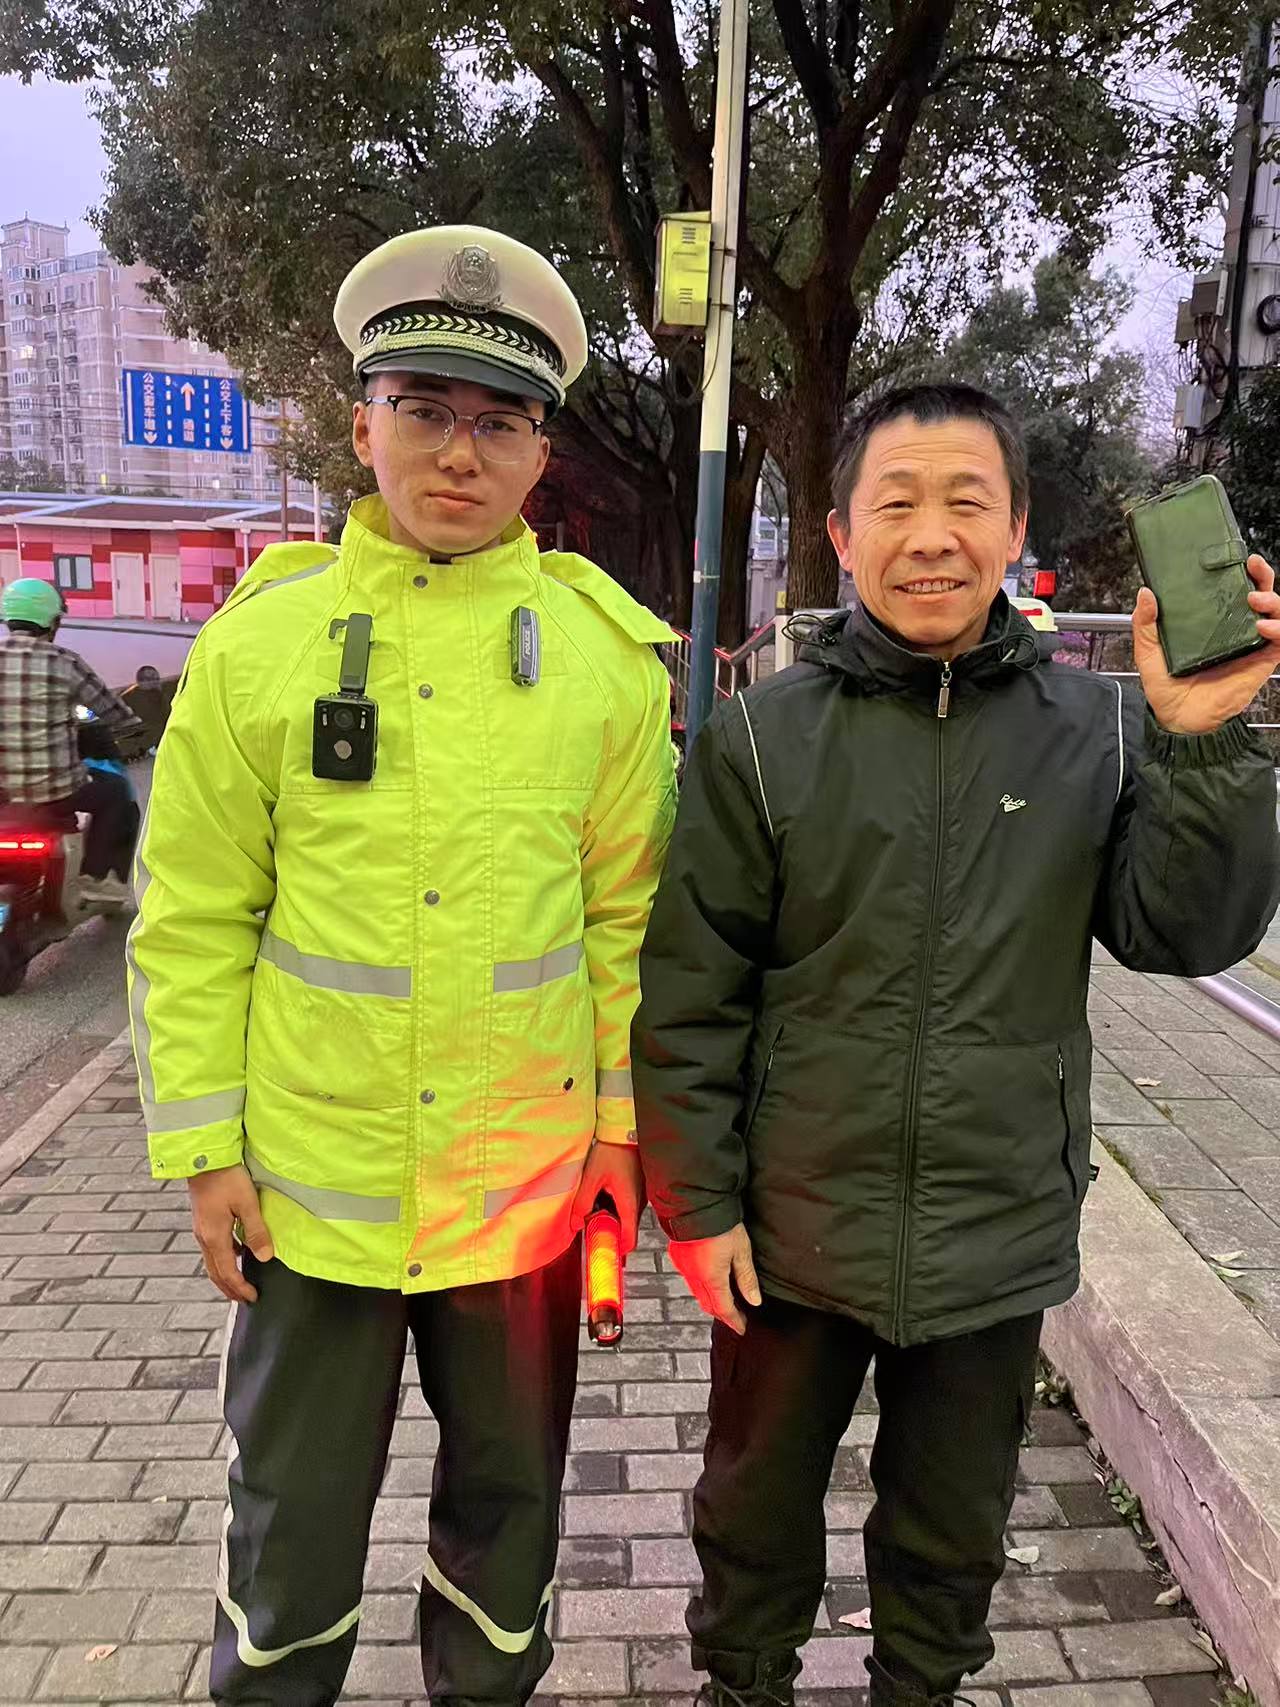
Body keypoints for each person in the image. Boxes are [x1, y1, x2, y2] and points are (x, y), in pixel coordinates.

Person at [632, 383, 1280, 1707]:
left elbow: (1180, 934)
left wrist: (1205, 742)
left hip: (995, 1227)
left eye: (965, 502)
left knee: (950, 1533)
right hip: (792, 1229)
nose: (931, 535)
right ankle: (741, 1684)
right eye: (897, 504)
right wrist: (698, 1203)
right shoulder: (761, 735)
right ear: (842, 533)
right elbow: (692, 989)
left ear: (1014, 527)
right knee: (751, 1511)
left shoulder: (1099, 729)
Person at [126, 225, 676, 1707]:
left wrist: (619, 1133)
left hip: (524, 1194)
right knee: (290, 1522)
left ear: (541, 450)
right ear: (362, 420)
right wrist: (202, 1148)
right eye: (424, 408)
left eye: (498, 421)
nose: (457, 452)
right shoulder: (263, 648)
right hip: (312, 1198)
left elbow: (625, 926)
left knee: (508, 1521)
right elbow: (193, 917)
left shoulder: (606, 661)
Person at [0, 576, 142, 906]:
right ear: (53, 622)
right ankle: (96, 878)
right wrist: (134, 726)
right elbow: (114, 712)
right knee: (117, 791)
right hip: (56, 791)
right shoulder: (64, 662)